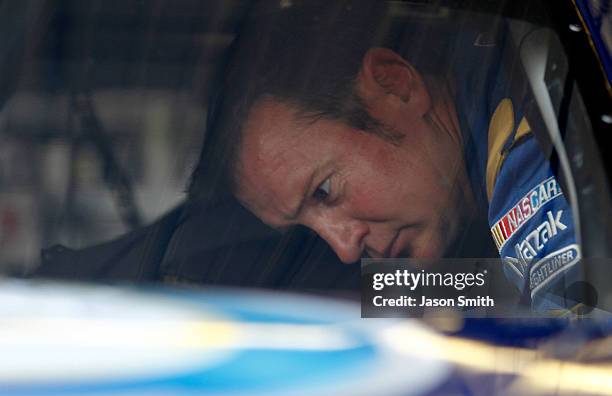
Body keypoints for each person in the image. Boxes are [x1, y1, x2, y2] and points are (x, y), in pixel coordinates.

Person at [38, 1, 581, 311]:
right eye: (307, 230)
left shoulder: (523, 129)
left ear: (394, 87)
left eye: (325, 192)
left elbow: (578, 309)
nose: (345, 249)